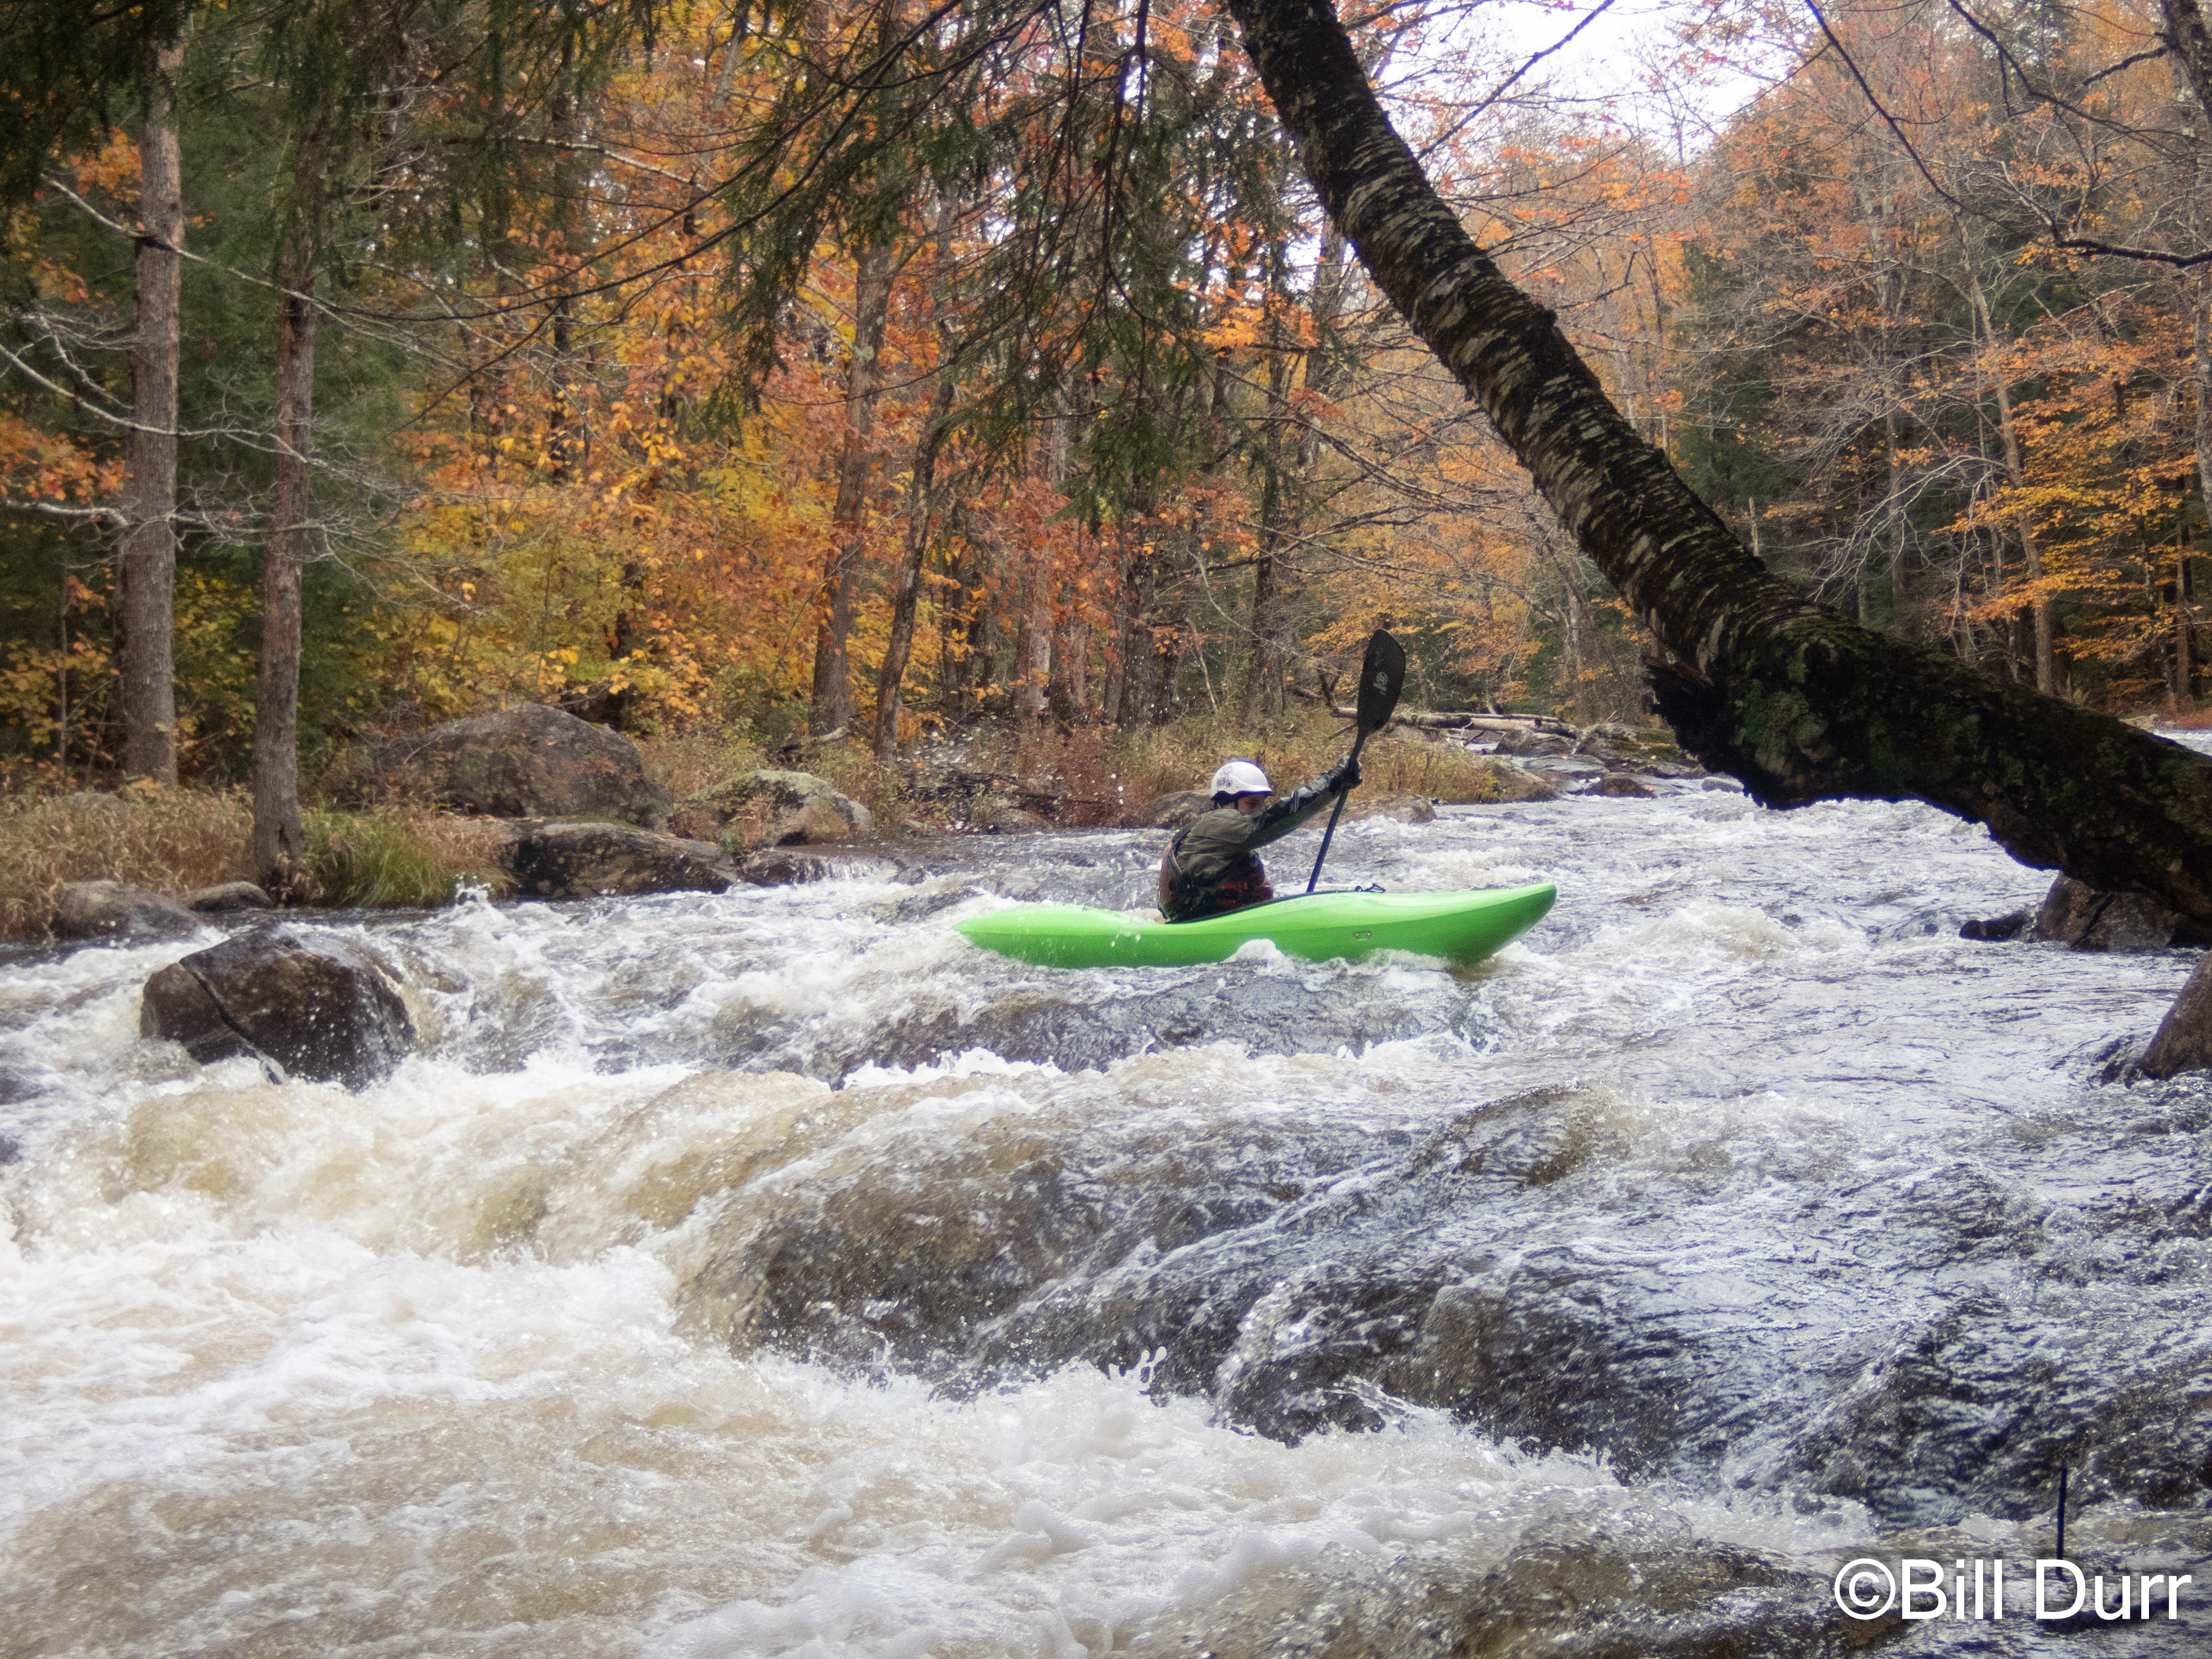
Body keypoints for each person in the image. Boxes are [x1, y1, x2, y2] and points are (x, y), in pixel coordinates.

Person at [1157, 755, 1361, 922]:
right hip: (1207, 923)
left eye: (1261, 804)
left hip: (1215, 920)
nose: (1259, 811)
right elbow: (1283, 815)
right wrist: (1335, 780)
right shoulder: (1222, 822)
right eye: (1252, 803)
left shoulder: (1212, 833)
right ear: (1226, 802)